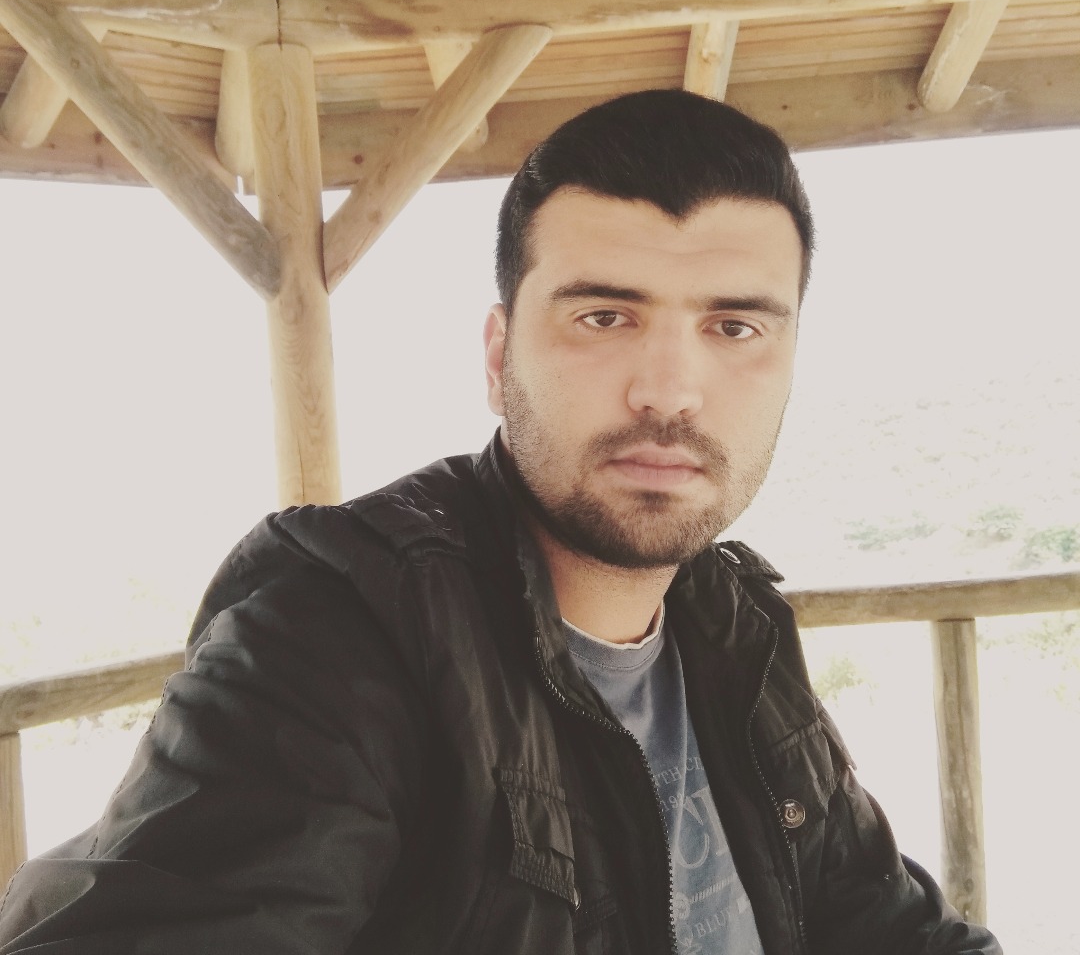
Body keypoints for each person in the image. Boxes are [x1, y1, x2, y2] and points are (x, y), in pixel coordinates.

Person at [0, 90, 1000, 954]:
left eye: (734, 326)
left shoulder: (734, 621)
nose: (670, 389)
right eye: (603, 317)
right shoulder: (337, 637)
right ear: (497, 357)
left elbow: (883, 918)